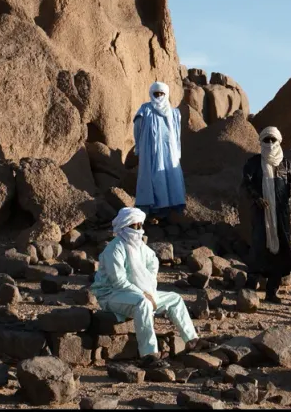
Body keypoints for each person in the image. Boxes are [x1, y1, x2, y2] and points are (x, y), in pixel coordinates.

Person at [90, 207, 208, 368]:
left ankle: (192, 341)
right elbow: (118, 281)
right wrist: (144, 294)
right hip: (112, 295)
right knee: (143, 303)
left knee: (175, 299)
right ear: (124, 227)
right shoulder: (114, 249)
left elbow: (153, 263)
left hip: (138, 293)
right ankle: (149, 354)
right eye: (134, 226)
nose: (138, 230)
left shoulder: (141, 248)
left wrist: (148, 287)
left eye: (140, 226)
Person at [241, 127, 291, 304]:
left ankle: (272, 291)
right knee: (258, 245)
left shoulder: (287, 164)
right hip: (260, 212)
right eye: (266, 140)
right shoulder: (254, 163)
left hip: (280, 214)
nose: (270, 144)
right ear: (261, 142)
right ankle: (249, 289)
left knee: (279, 250)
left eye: (273, 140)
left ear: (278, 142)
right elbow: (246, 184)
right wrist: (256, 198)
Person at [133, 81, 186, 222]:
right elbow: (137, 129)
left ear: (166, 94)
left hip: (169, 151)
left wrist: (178, 151)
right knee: (151, 176)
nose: (159, 97)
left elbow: (177, 133)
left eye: (162, 94)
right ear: (151, 94)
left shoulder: (174, 113)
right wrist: (138, 146)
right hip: (149, 150)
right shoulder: (145, 109)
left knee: (169, 175)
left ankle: (169, 210)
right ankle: (150, 209)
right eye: (156, 94)